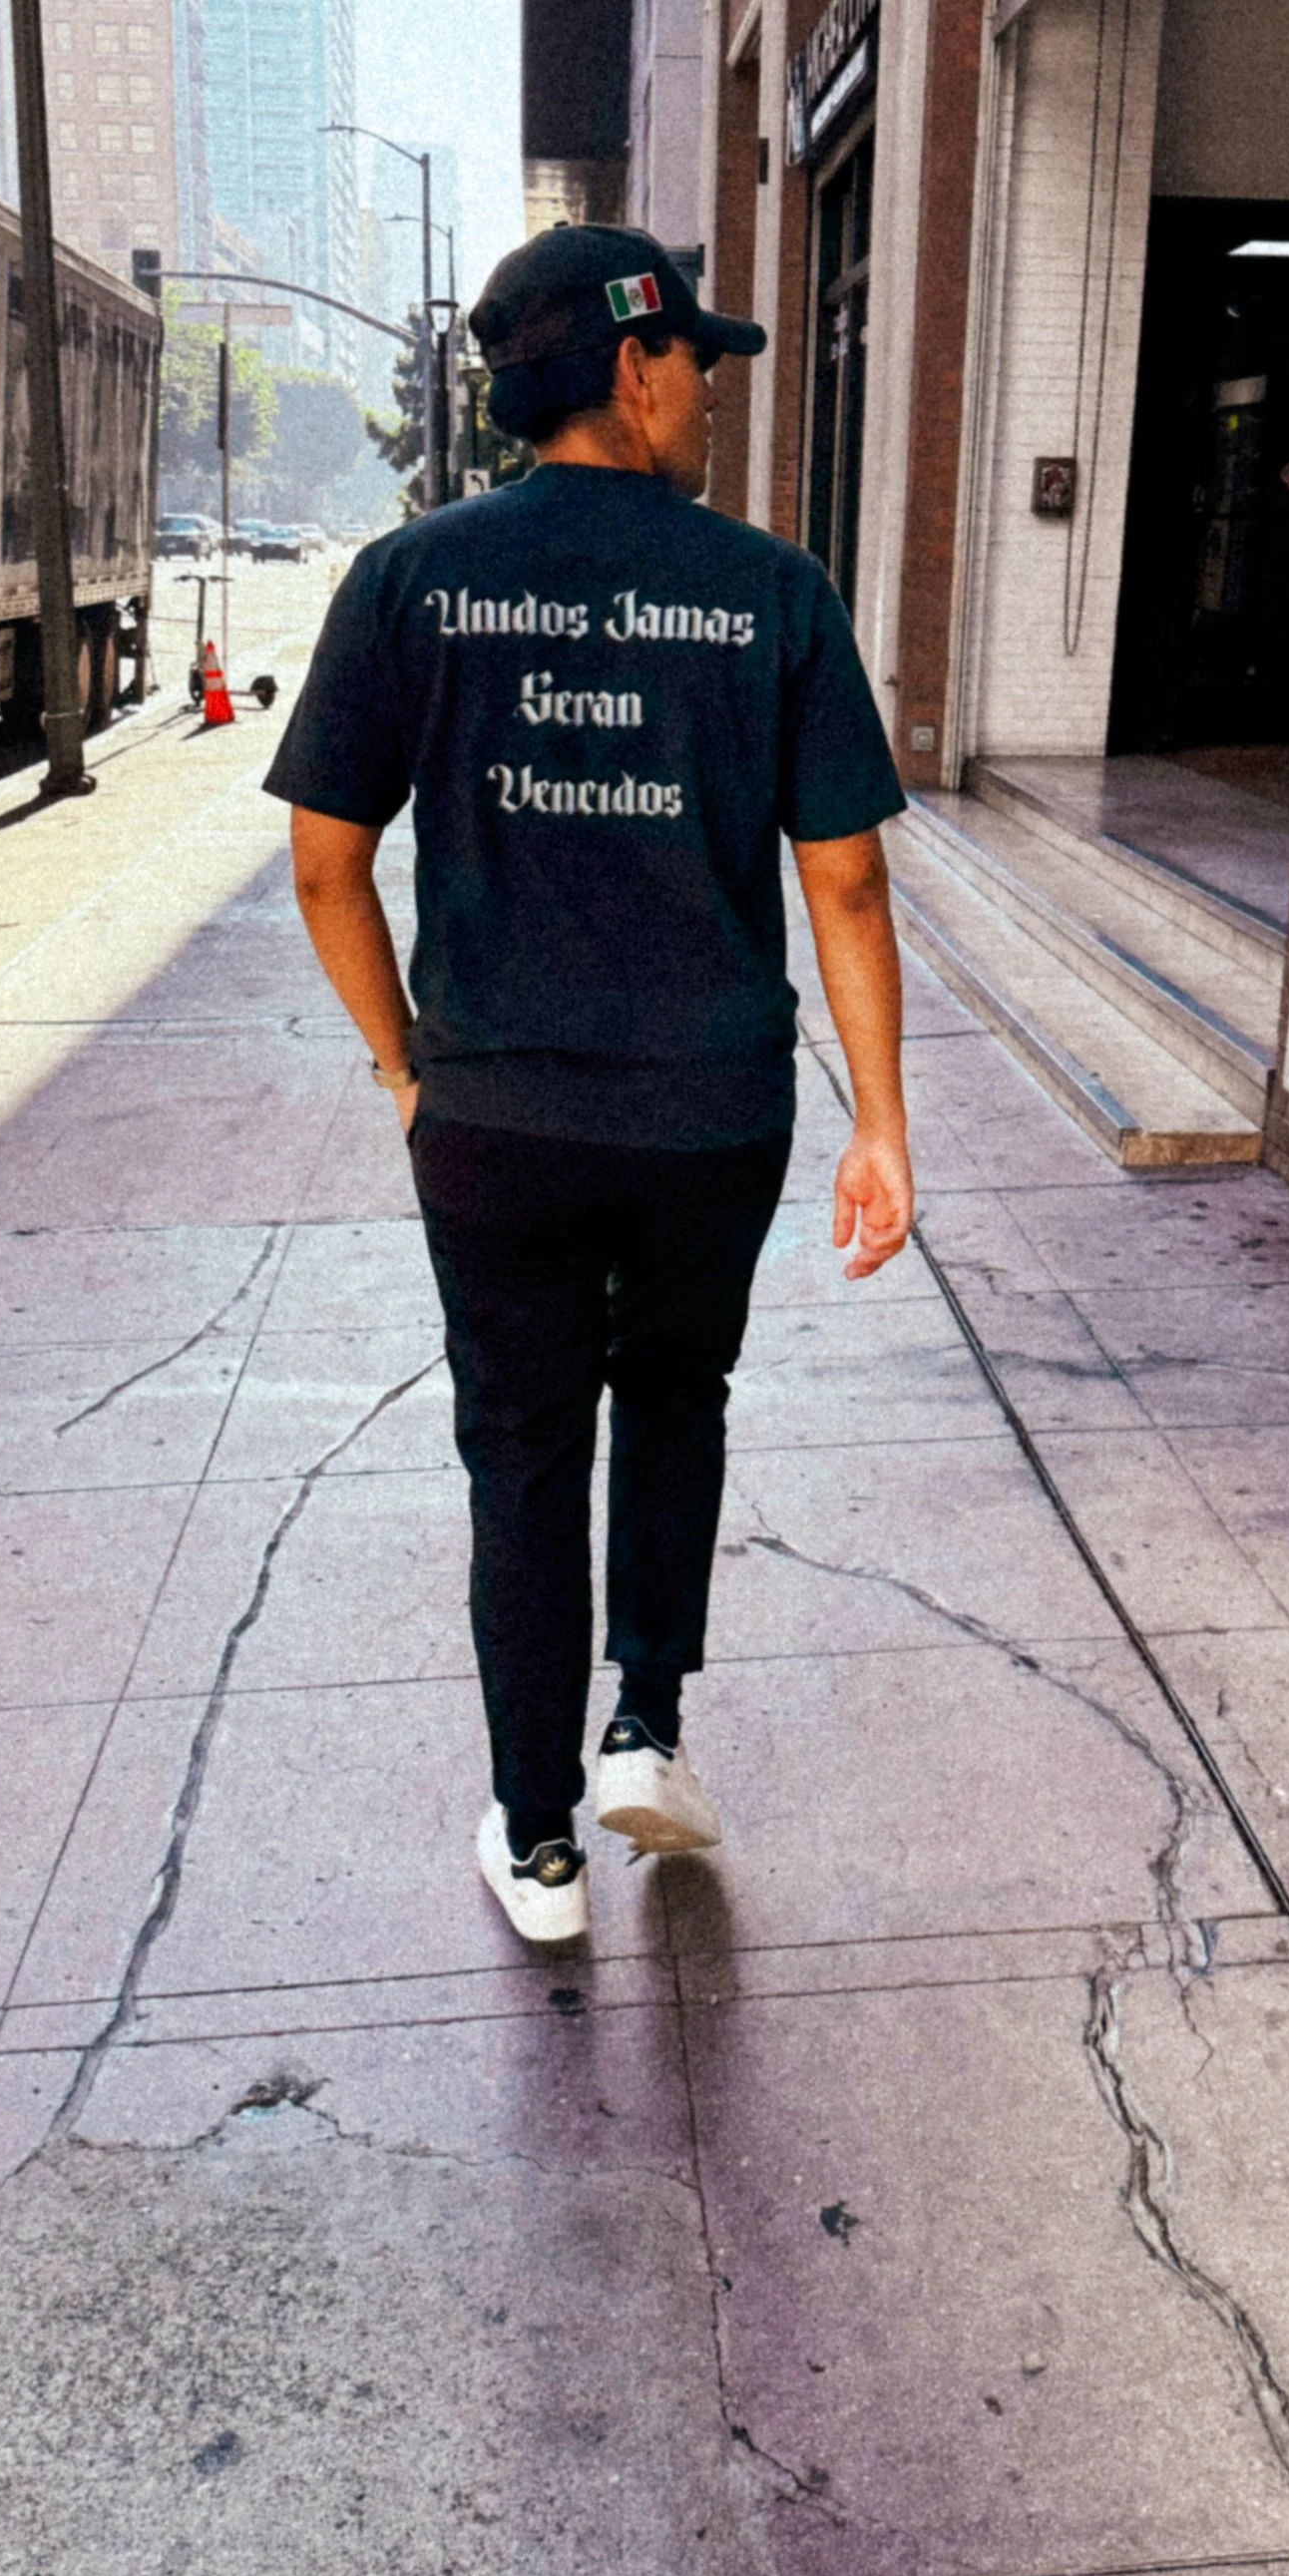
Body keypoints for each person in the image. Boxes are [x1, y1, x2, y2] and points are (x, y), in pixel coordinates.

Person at [267, 224, 913, 1945]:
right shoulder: (771, 591)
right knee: (678, 1396)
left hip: (498, 1116)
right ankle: (644, 1725)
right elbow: (847, 884)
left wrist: (406, 1065)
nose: (710, 391)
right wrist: (879, 1121)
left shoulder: (410, 580)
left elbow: (326, 863)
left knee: (524, 1451)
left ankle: (539, 1840)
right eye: (696, 359)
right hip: (710, 1111)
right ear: (634, 368)